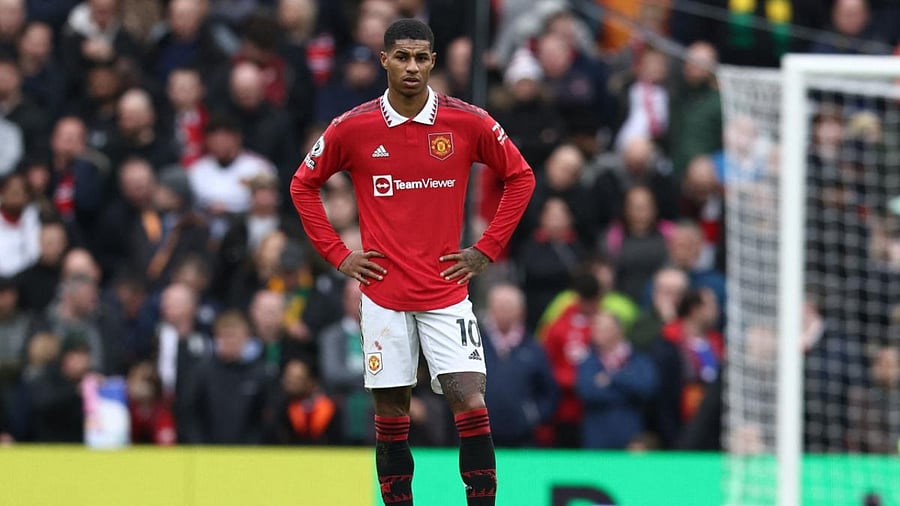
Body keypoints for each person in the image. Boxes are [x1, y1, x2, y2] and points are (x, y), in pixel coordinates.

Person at [290, 19, 535, 506]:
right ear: (383, 59)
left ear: (433, 62)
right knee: (391, 412)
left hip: (447, 292)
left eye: (422, 57)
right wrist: (338, 255)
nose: (412, 67)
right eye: (402, 56)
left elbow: (521, 177)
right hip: (383, 296)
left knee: (470, 399)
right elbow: (302, 184)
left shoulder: (467, 121)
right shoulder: (352, 127)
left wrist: (486, 249)